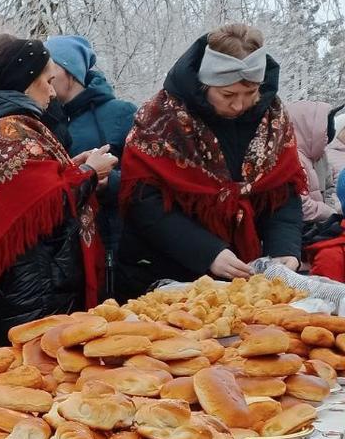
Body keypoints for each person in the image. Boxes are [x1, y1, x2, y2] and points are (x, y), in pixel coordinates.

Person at [118, 24, 304, 298]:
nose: (239, 105)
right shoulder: (162, 118)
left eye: (251, 93)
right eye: (228, 95)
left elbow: (283, 195)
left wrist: (285, 248)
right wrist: (207, 251)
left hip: (240, 280)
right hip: (162, 274)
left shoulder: (272, 118)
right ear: (204, 84)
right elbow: (144, 203)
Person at [0, 38, 115, 343]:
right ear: (26, 80)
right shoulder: (5, 131)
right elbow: (42, 200)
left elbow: (37, 182)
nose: (53, 92)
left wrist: (71, 168)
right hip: (31, 288)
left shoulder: (10, 124)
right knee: (41, 374)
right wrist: (90, 173)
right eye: (48, 81)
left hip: (36, 280)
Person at [45, 35, 136, 294]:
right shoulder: (44, 118)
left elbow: (144, 177)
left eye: (51, 69)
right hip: (65, 245)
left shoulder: (120, 113)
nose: (46, 77)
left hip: (112, 240)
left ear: (71, 73)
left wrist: (110, 182)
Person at [286, 100, 342, 230]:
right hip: (298, 233)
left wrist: (334, 213)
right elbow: (301, 206)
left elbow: (330, 187)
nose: (330, 130)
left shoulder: (319, 155)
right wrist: (333, 214)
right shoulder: (291, 160)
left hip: (320, 226)